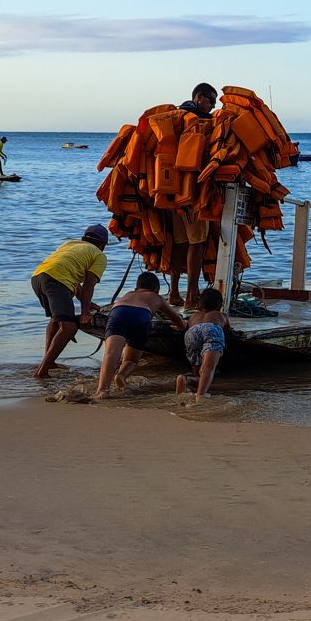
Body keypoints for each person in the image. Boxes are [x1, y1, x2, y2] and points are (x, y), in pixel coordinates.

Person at [92, 272, 187, 400]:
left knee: (111, 353)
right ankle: (121, 376)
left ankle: (102, 390)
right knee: (131, 360)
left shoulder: (128, 294)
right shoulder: (157, 297)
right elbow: (176, 319)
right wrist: (182, 326)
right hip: (141, 315)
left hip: (119, 312)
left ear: (137, 288)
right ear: (157, 290)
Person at [31, 224, 110, 379]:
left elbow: (72, 278)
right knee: (68, 327)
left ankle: (49, 362)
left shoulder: (70, 244)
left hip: (38, 277)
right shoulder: (99, 255)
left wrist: (84, 301)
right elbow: (88, 285)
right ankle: (42, 371)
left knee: (56, 320)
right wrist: (85, 313)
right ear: (102, 245)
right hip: (56, 281)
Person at [169, 83, 218, 309]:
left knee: (180, 243)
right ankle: (191, 297)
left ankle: (174, 294)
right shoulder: (198, 122)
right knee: (196, 243)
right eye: (211, 100)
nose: (213, 106)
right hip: (192, 194)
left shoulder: (175, 118)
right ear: (199, 98)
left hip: (172, 193)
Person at [176, 287, 229, 403]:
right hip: (211, 329)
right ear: (220, 306)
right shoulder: (221, 315)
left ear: (199, 305)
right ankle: (201, 396)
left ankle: (186, 379)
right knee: (208, 368)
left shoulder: (193, 317)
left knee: (198, 371)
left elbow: (186, 327)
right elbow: (227, 330)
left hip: (192, 332)